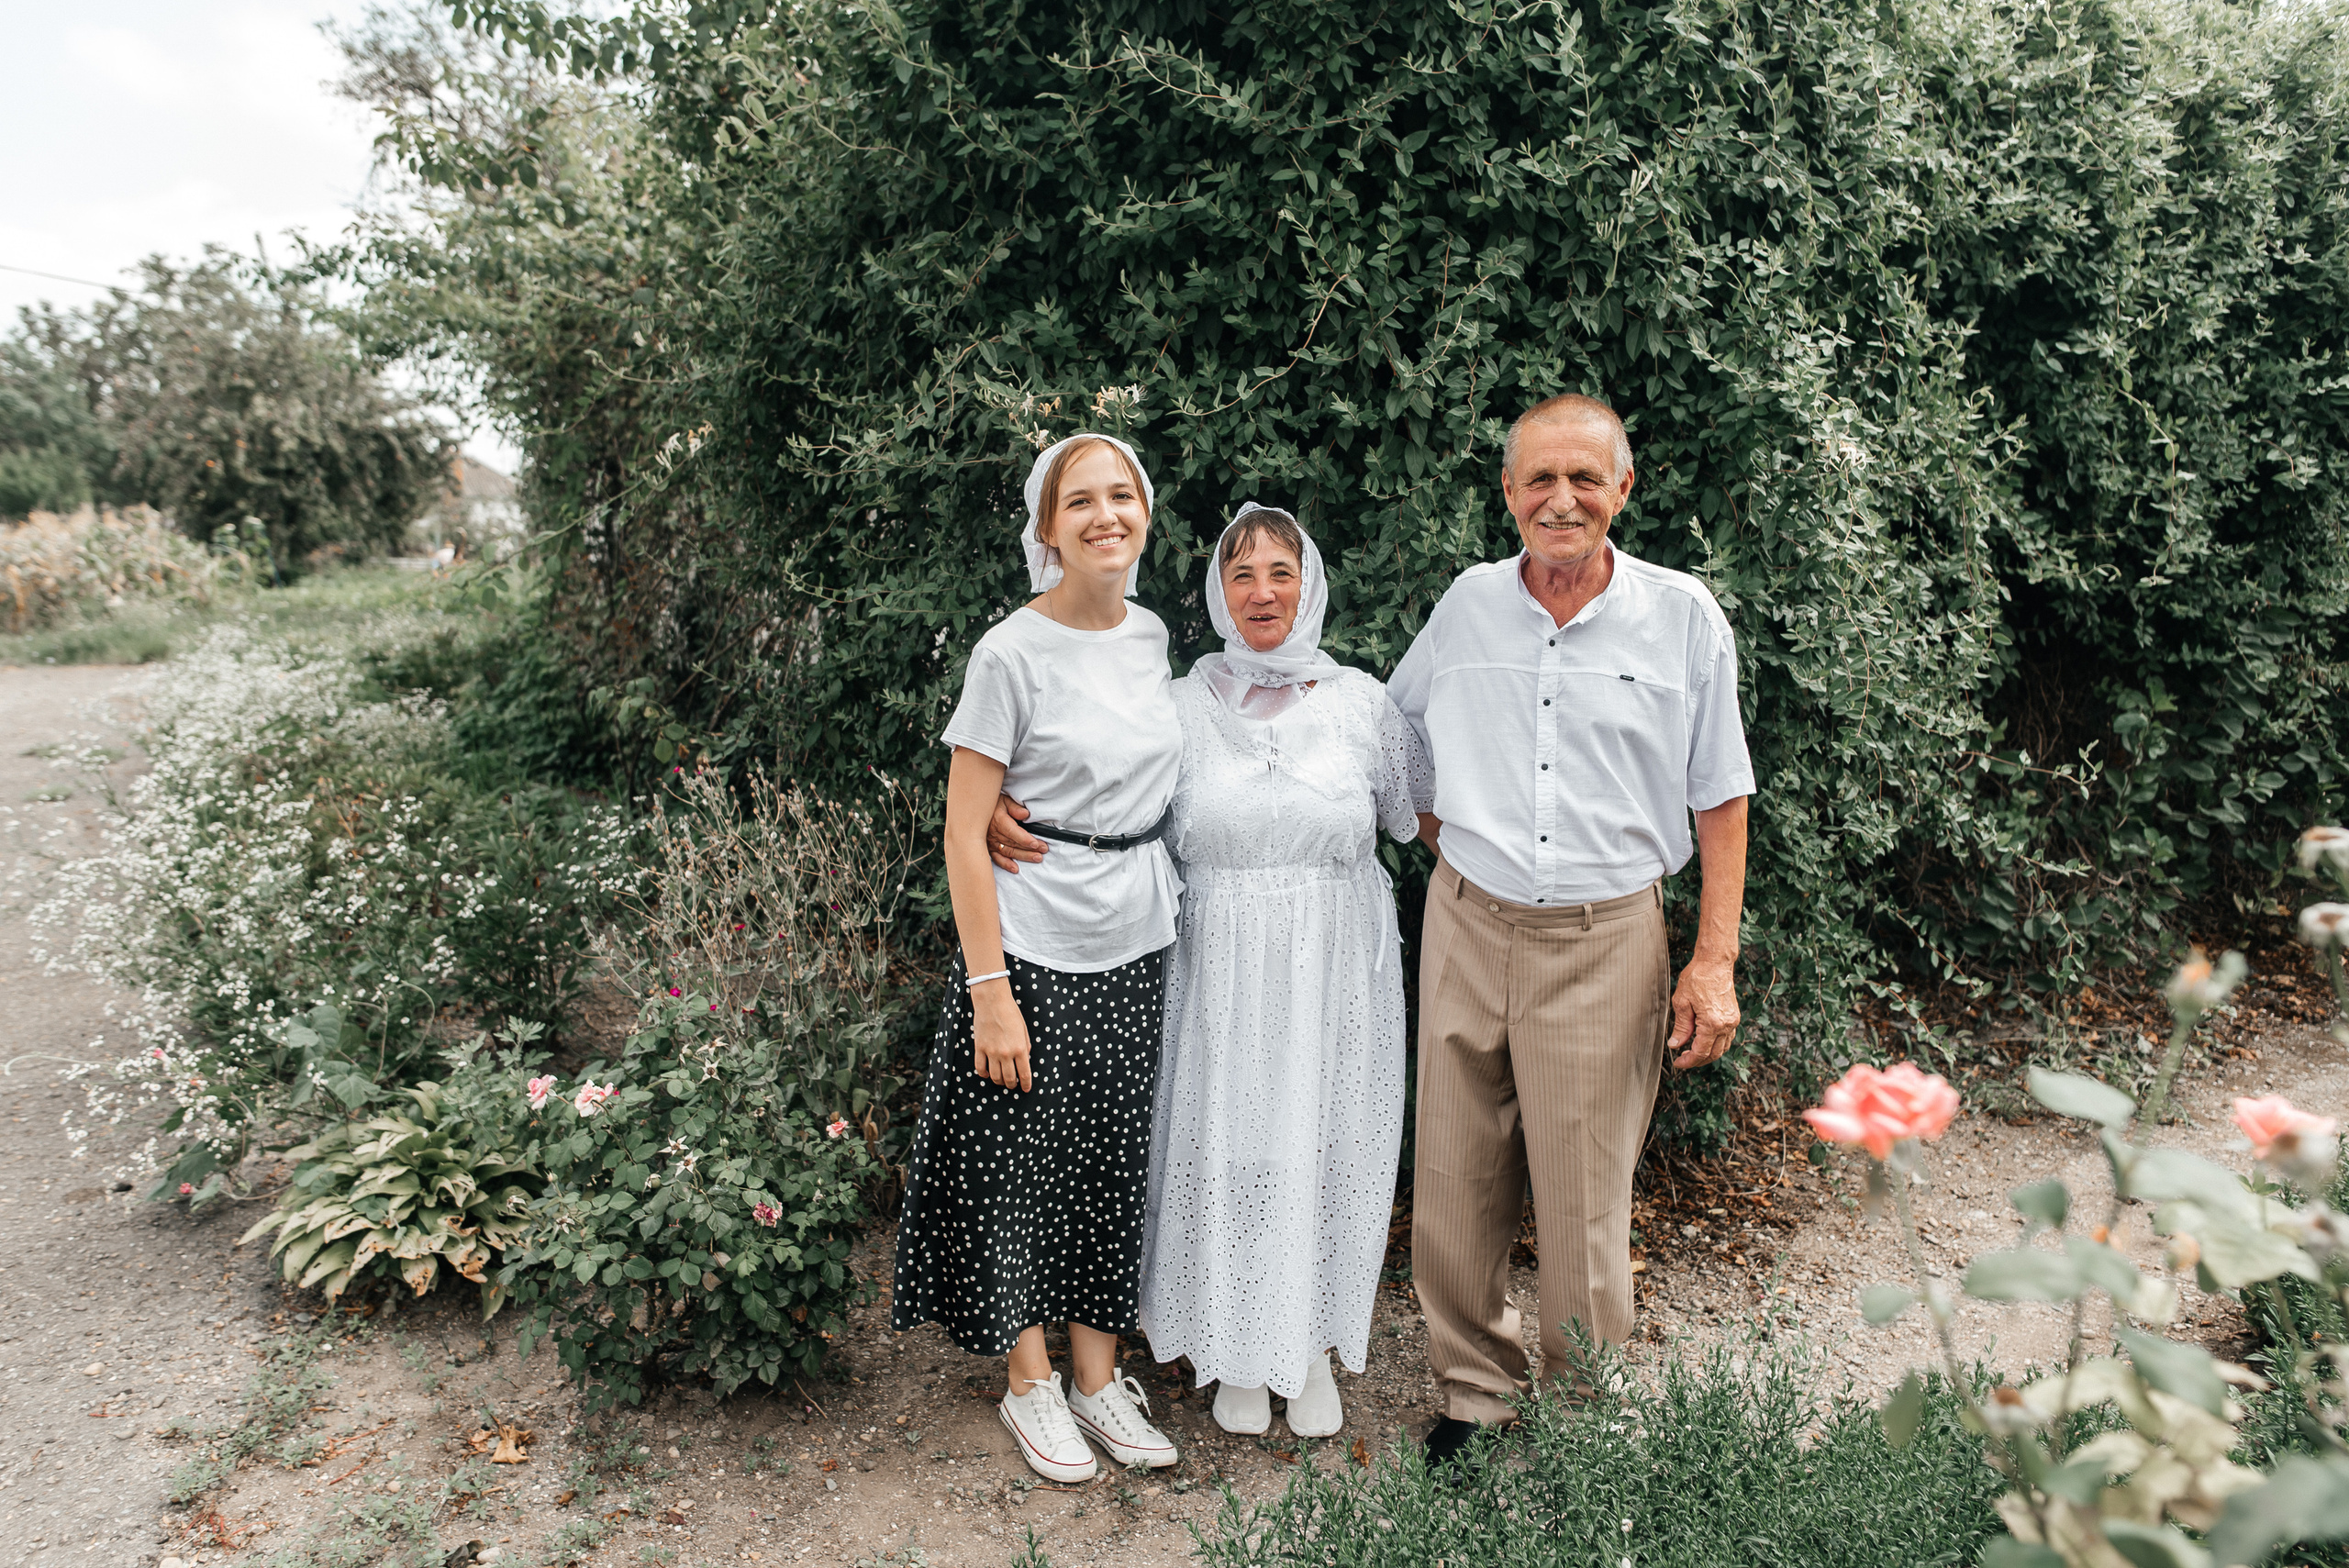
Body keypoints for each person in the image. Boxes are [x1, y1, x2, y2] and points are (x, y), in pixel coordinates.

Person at [1387, 393, 1753, 1464]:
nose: (1561, 499)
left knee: (1585, 1194)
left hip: (1603, 939)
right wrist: (1431, 825)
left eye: (1583, 478)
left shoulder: (1682, 615)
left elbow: (1721, 793)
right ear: (1507, 496)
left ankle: (1584, 1417)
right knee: (1453, 1176)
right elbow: (1395, 723)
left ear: (1622, 490)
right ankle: (1473, 1393)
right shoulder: (1466, 605)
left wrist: (1712, 959)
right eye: (1538, 479)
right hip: (1466, 918)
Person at [889, 431, 1183, 1485]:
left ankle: (1099, 1378)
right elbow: (966, 830)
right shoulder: (1008, 652)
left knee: (1107, 1163)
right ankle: (1029, 1384)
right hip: (1033, 944)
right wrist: (989, 993)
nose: (1106, 515)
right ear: (1046, 528)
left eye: (1122, 495)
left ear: (1144, 509)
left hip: (1137, 935)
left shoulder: (1152, 636)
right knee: (1015, 1168)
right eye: (1080, 502)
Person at [1136, 504, 1428, 1439]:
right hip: (1219, 961)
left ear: (1310, 585)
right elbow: (1106, 800)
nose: (1261, 589)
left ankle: (1305, 1346)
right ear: (1218, 593)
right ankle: (1233, 1346)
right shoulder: (1179, 706)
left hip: (1333, 966)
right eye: (1240, 571)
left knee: (1325, 1140)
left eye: (1281, 570)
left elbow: (1415, 814)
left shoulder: (1362, 702)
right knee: (1228, 1147)